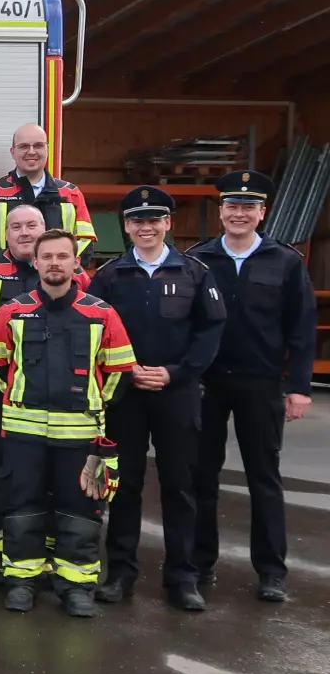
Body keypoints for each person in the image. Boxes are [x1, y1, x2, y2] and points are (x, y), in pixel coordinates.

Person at [0, 229, 135, 618]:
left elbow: (118, 371)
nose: (54, 263)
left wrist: (92, 405)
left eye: (62, 256)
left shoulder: (102, 313)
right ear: (35, 263)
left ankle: (76, 586)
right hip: (23, 431)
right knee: (22, 506)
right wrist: (20, 398)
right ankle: (22, 581)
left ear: (75, 262)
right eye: (47, 256)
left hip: (80, 433)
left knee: (80, 509)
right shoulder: (12, 312)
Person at [86, 187, 224, 611]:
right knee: (124, 486)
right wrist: (125, 371)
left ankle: (182, 577)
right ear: (126, 226)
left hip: (176, 394)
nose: (145, 227)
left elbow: (210, 330)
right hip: (125, 396)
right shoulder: (109, 276)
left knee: (180, 485)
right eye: (137, 221)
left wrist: (176, 372)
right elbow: (94, 331)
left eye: (153, 220)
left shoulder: (195, 273)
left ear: (168, 223)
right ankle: (120, 574)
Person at [188, 170, 316, 603]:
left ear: (262, 213)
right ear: (221, 211)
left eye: (248, 207)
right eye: (232, 206)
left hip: (261, 382)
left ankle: (271, 571)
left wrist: (299, 387)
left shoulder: (286, 261)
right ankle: (199, 562)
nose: (238, 214)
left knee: (264, 478)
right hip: (207, 383)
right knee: (201, 476)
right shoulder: (199, 259)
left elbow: (301, 328)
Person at [0, 205, 86, 585]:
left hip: (52, 396)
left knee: (47, 475)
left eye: (32, 225)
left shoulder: (74, 275)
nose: (24, 232)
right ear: (4, 233)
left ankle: (41, 550)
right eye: (16, 226)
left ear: (45, 228)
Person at [0, 124, 96, 263]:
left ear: (47, 149)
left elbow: (85, 241)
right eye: (24, 146)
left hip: (55, 274)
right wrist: (10, 269)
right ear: (13, 152)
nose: (31, 152)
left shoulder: (71, 194)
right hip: (6, 275)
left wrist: (54, 267)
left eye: (38, 146)